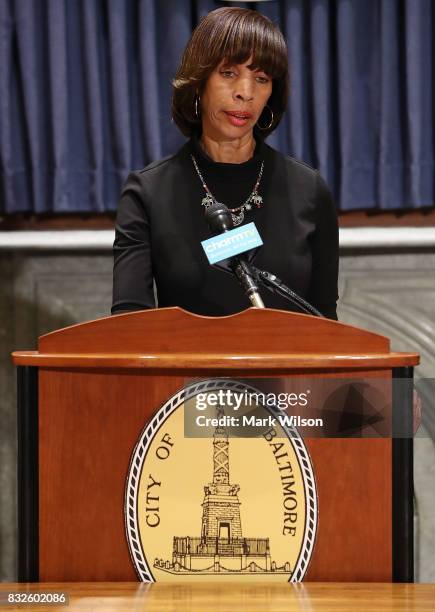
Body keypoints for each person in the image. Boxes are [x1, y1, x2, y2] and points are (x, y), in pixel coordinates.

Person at [112, 7, 339, 319]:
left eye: (261, 78)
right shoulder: (148, 192)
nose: (245, 93)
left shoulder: (309, 190)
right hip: (189, 367)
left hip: (285, 368)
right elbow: (130, 324)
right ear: (199, 82)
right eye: (229, 73)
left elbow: (324, 320)